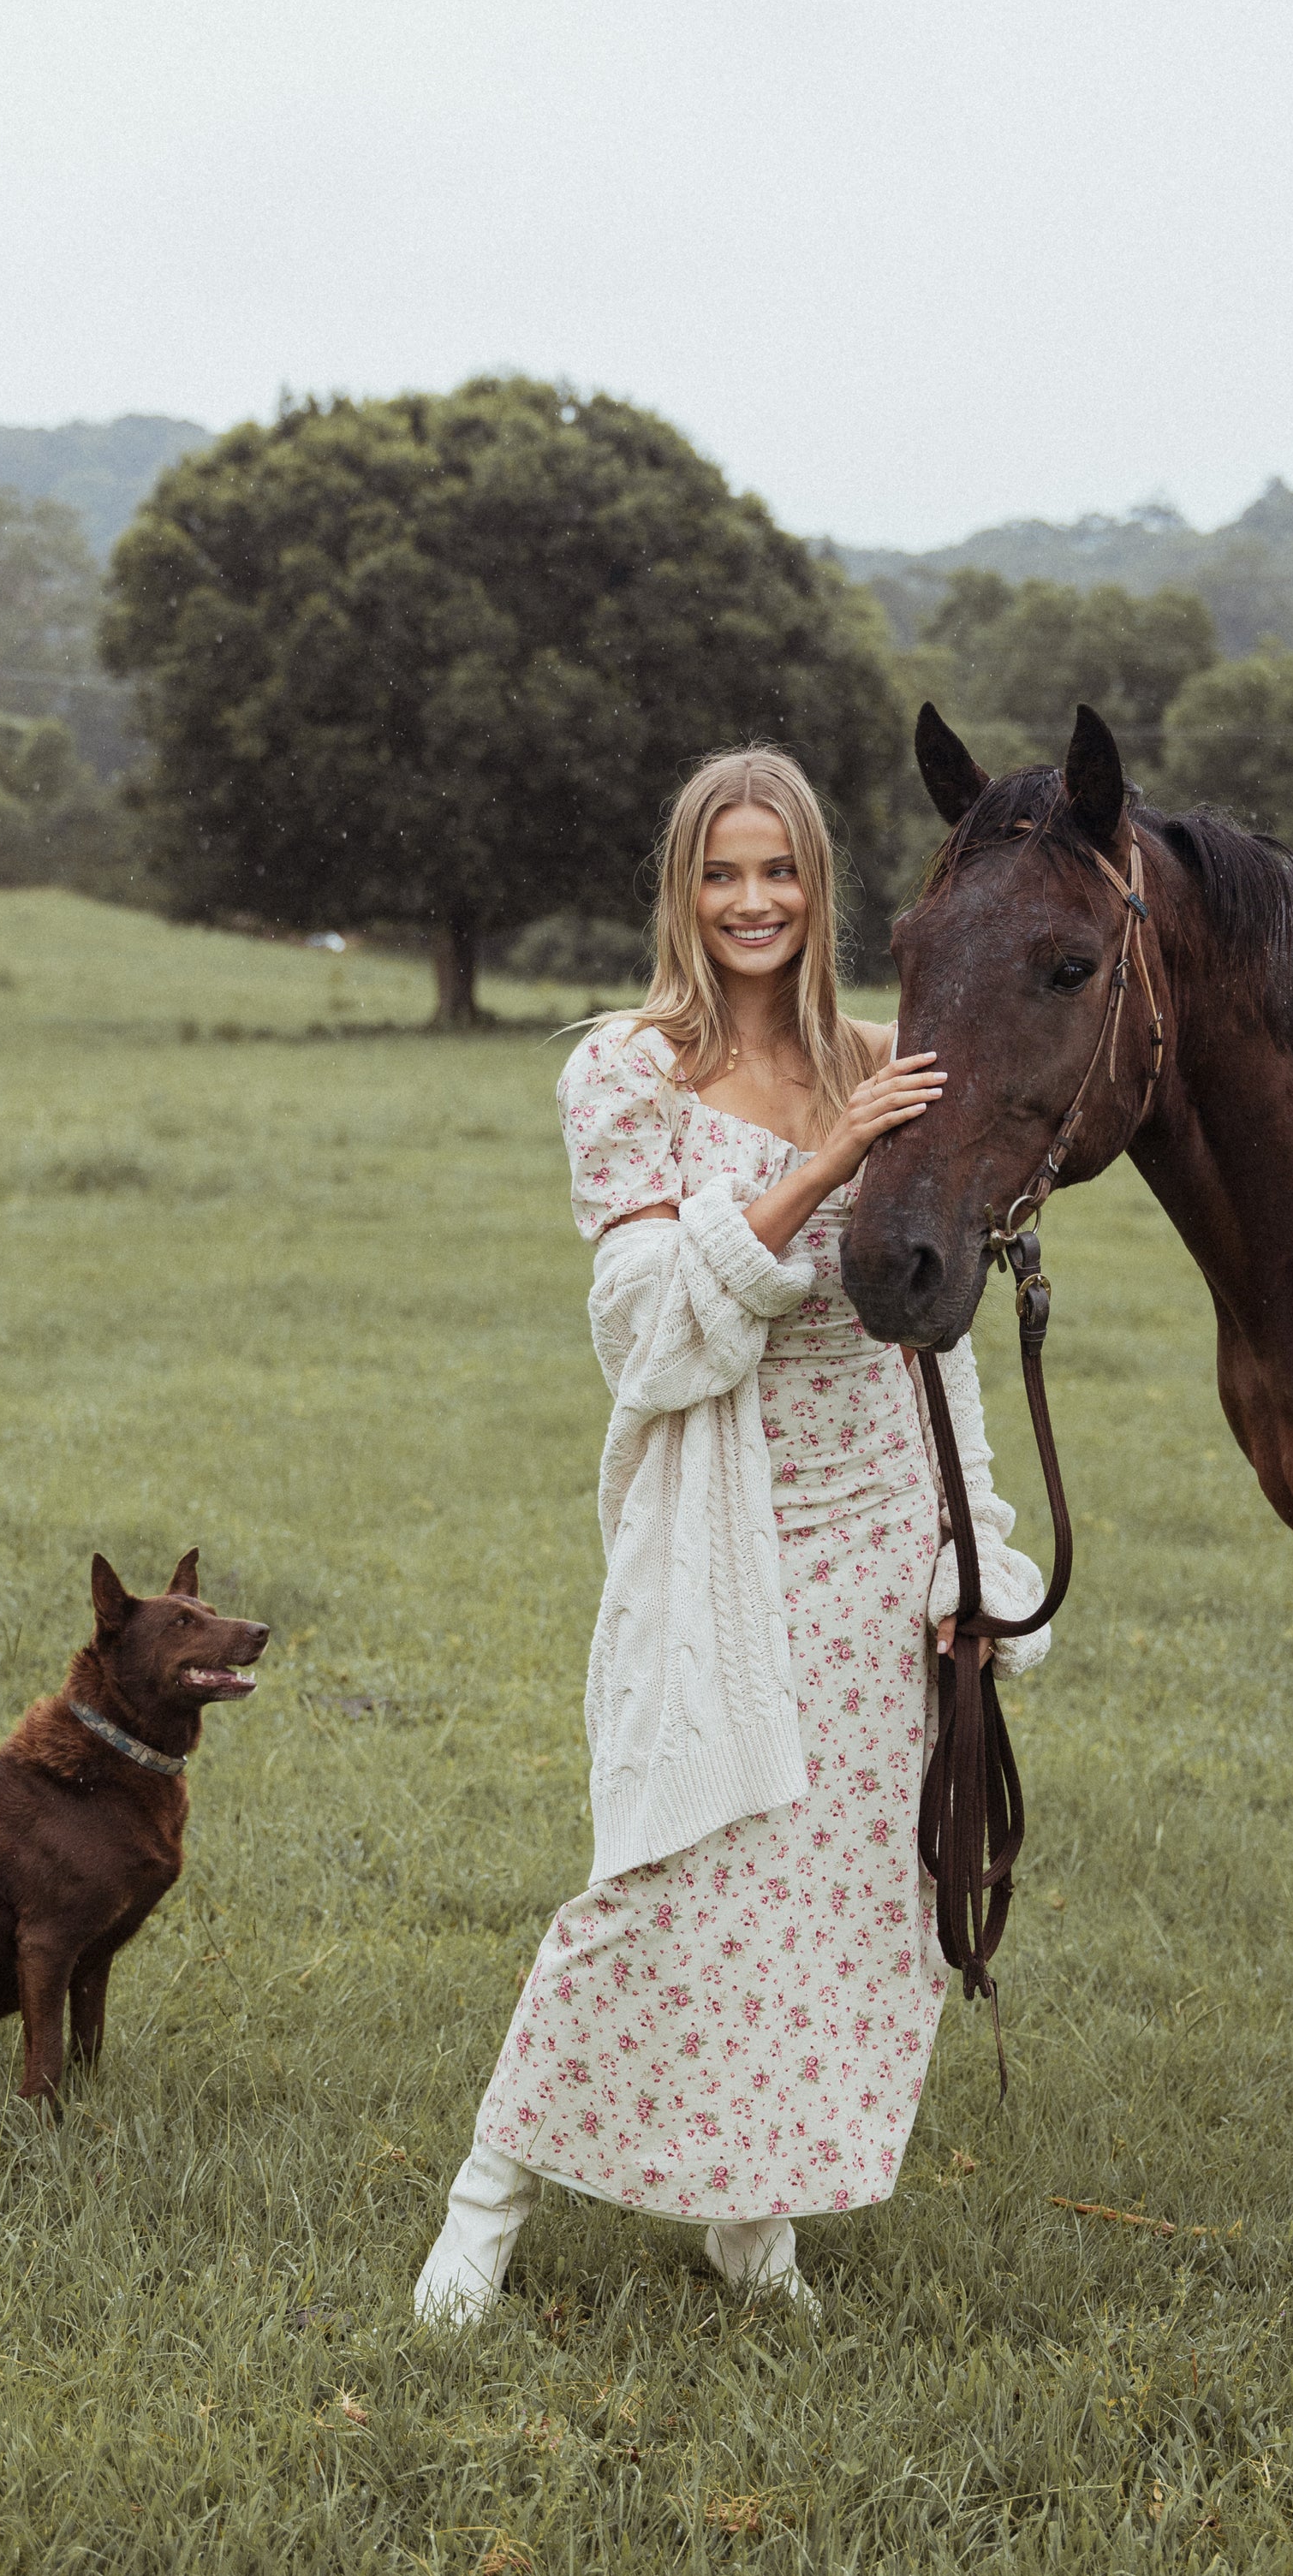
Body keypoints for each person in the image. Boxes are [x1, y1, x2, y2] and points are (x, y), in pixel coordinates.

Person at [414, 746, 1050, 2328]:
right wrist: (824, 1164)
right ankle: (488, 2196)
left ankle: (755, 2226)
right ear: (683, 892)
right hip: (725, 1524)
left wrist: (976, 1555)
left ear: (819, 885)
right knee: (664, 1866)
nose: (753, 902)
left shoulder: (890, 1054)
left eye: (780, 871)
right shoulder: (627, 1073)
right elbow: (644, 1333)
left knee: (841, 1889)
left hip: (885, 1510)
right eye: (722, 873)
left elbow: (941, 1333)